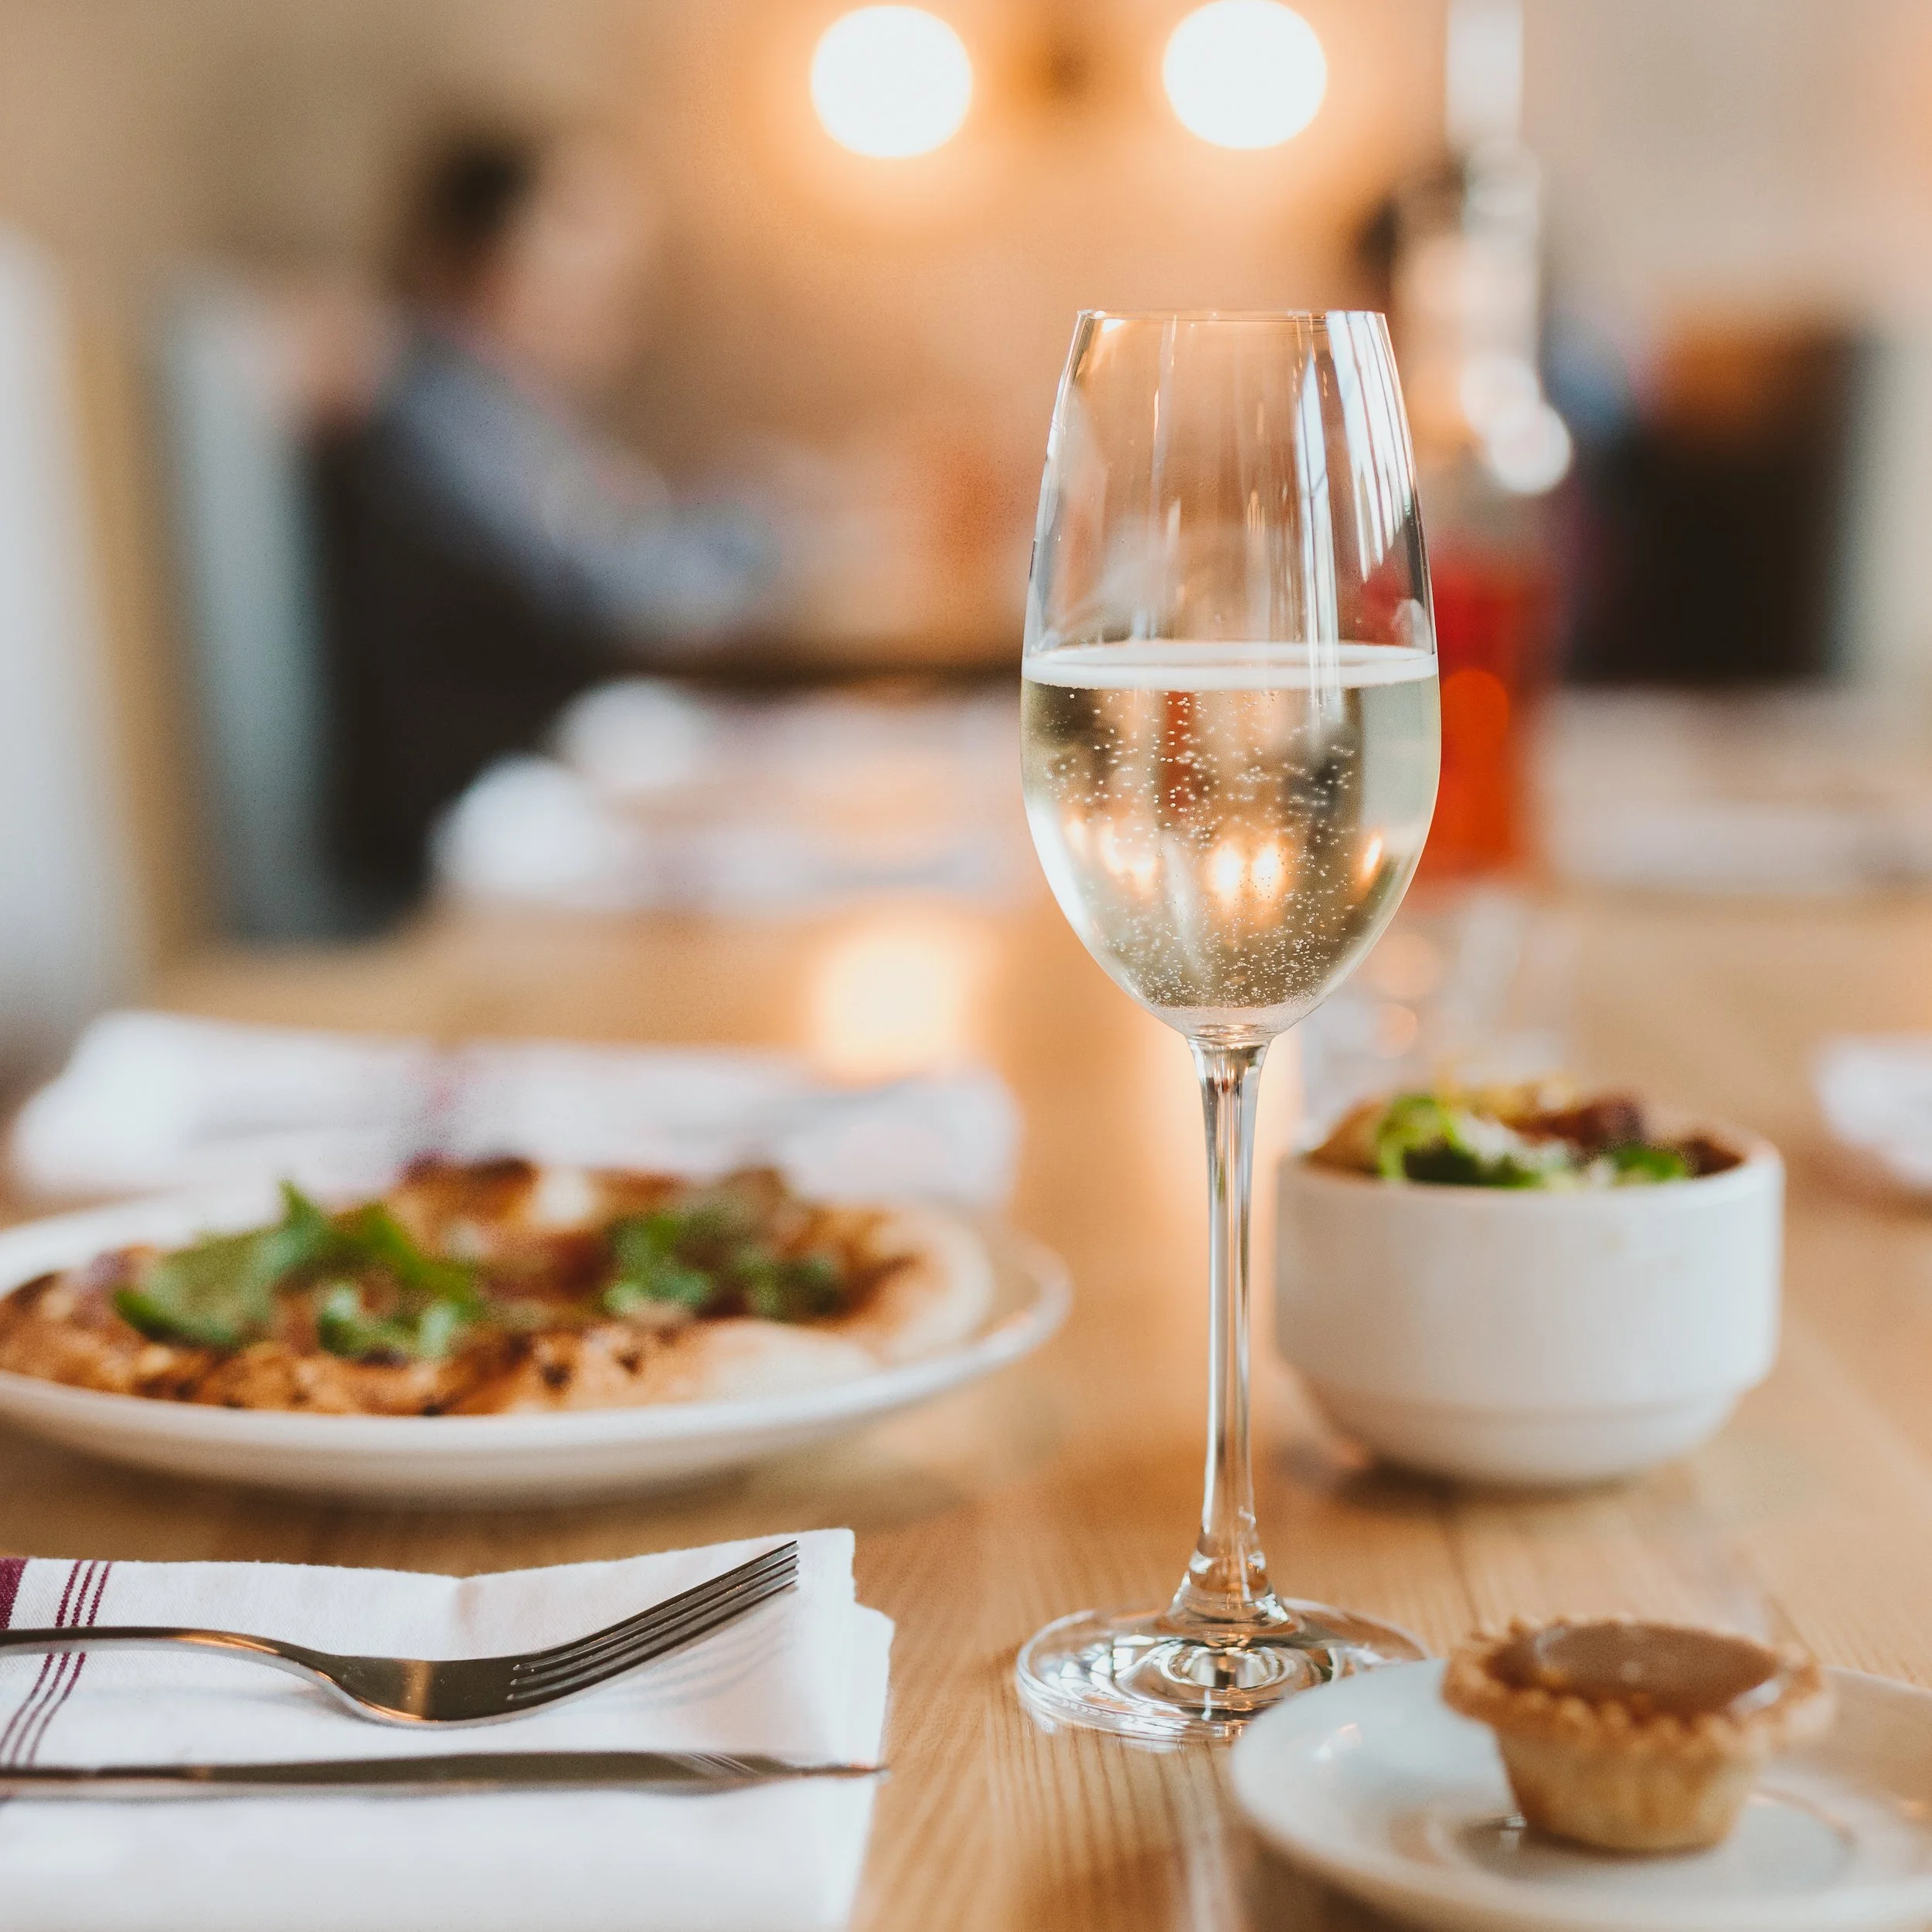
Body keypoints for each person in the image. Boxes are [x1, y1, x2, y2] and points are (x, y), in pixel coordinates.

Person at [317, 126, 774, 904]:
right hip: (460, 841)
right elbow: (616, 592)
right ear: (469, 259)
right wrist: (769, 530)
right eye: (575, 234)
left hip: (531, 798)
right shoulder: (443, 415)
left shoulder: (510, 412)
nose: (607, 281)